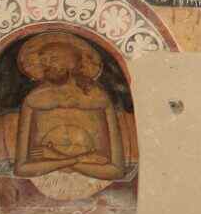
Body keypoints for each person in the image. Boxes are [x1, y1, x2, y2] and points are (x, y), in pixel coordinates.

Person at [14, 31, 126, 180]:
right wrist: (80, 159)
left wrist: (55, 157)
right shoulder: (34, 100)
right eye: (43, 61)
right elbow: (22, 169)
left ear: (71, 61)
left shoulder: (99, 99)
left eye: (53, 58)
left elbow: (116, 170)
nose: (46, 65)